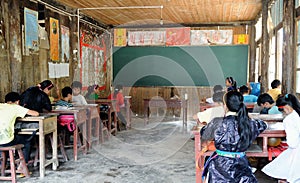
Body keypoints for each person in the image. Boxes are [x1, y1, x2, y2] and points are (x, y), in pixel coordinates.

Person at [200, 91, 267, 182]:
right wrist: (248, 117)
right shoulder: (249, 123)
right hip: (241, 164)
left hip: (219, 166)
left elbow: (204, 133)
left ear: (225, 106)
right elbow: (264, 124)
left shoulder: (217, 122)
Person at [262, 94, 300, 183]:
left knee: (288, 159)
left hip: (297, 149)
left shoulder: (289, 119)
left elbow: (292, 143)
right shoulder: (297, 114)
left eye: (281, 110)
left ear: (286, 107)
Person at [0, 92, 39, 163]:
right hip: (5, 141)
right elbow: (36, 114)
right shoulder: (16, 107)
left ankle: (3, 163)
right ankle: (23, 164)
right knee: (26, 141)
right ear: (18, 101)